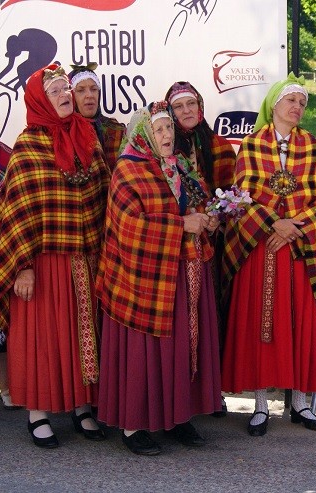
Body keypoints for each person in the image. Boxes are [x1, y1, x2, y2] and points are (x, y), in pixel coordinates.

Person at [95, 101, 222, 455]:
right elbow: (127, 226)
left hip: (183, 269)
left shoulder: (180, 166)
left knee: (181, 346)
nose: (167, 135)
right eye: (160, 129)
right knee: (145, 351)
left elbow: (197, 204)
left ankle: (179, 416)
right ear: (145, 134)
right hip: (142, 276)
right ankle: (133, 426)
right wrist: (182, 225)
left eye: (169, 129)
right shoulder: (128, 169)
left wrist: (206, 218)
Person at [0, 64, 109, 447]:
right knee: (44, 338)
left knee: (83, 334)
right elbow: (16, 210)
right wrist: (23, 267)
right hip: (43, 263)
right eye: (56, 91)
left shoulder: (88, 138)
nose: (65, 95)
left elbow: (102, 197)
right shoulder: (28, 146)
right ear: (39, 101)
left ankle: (81, 406)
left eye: (67, 89)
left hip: (86, 258)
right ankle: (38, 412)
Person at [221, 73, 316, 436]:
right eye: (291, 101)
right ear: (274, 105)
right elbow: (244, 194)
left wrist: (294, 228)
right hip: (262, 247)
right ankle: (259, 406)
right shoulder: (253, 144)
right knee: (262, 324)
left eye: (302, 103)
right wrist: (275, 225)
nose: (297, 107)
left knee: (299, 322)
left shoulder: (312, 145)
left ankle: (300, 403)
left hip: (299, 249)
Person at [165, 81, 236, 417]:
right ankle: (185, 390)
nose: (187, 111)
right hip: (180, 246)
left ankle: (212, 391)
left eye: (191, 104)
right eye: (179, 107)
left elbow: (230, 192)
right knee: (184, 317)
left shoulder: (219, 145)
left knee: (213, 314)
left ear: (201, 106)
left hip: (214, 243)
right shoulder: (165, 148)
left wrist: (216, 219)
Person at [68, 63, 126, 171]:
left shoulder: (115, 130)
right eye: (81, 90)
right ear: (70, 96)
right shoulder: (63, 133)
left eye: (94, 89)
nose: (89, 95)